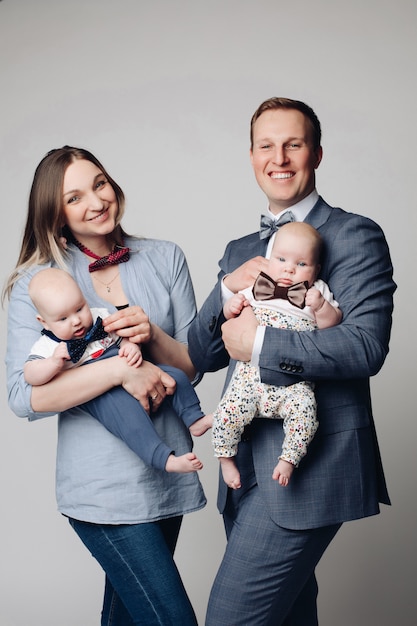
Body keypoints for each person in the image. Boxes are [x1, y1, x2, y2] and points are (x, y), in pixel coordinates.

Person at [188, 97, 396, 625]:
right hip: (243, 470)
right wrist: (223, 288)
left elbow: (364, 347)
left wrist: (259, 344)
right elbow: (200, 354)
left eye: (293, 144)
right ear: (252, 156)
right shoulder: (240, 248)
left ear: (316, 154)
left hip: (310, 467)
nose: (278, 157)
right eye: (266, 146)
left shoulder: (355, 234)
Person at [5, 146, 207, 625]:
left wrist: (151, 334)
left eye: (100, 184)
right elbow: (23, 396)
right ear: (56, 214)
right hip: (101, 489)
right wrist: (118, 370)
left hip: (166, 477)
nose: (96, 201)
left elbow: (193, 366)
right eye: (74, 197)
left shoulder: (165, 257)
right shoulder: (38, 283)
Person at [25, 267, 211, 474]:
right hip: (99, 390)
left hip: (133, 368)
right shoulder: (47, 345)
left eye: (79, 308)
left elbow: (124, 336)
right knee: (129, 416)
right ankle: (164, 459)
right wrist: (52, 363)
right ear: (44, 322)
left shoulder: (99, 318)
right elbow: (30, 374)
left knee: (174, 376)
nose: (76, 320)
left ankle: (194, 418)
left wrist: (130, 347)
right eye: (62, 319)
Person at [212, 221, 342, 489]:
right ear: (268, 261)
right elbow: (229, 318)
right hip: (250, 377)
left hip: (294, 383)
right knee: (229, 411)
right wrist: (232, 305)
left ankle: (289, 460)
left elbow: (332, 323)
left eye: (301, 264)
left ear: (316, 270)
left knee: (306, 411)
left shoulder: (317, 291)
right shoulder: (258, 286)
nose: (289, 268)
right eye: (281, 259)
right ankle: (226, 458)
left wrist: (320, 306)